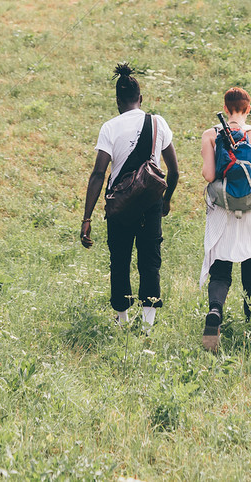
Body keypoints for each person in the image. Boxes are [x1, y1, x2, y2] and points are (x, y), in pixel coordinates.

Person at [80, 62, 179, 327]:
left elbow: (98, 174)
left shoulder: (110, 127)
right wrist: (165, 202)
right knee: (150, 260)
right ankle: (148, 324)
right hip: (150, 203)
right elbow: (174, 171)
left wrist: (86, 218)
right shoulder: (158, 123)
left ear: (117, 101)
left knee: (120, 260)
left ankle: (121, 319)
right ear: (141, 98)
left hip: (120, 206)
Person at [199, 87, 251, 352]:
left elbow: (209, 175)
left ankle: (215, 313)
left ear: (225, 106)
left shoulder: (211, 134)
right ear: (248, 108)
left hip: (223, 211)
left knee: (221, 271)